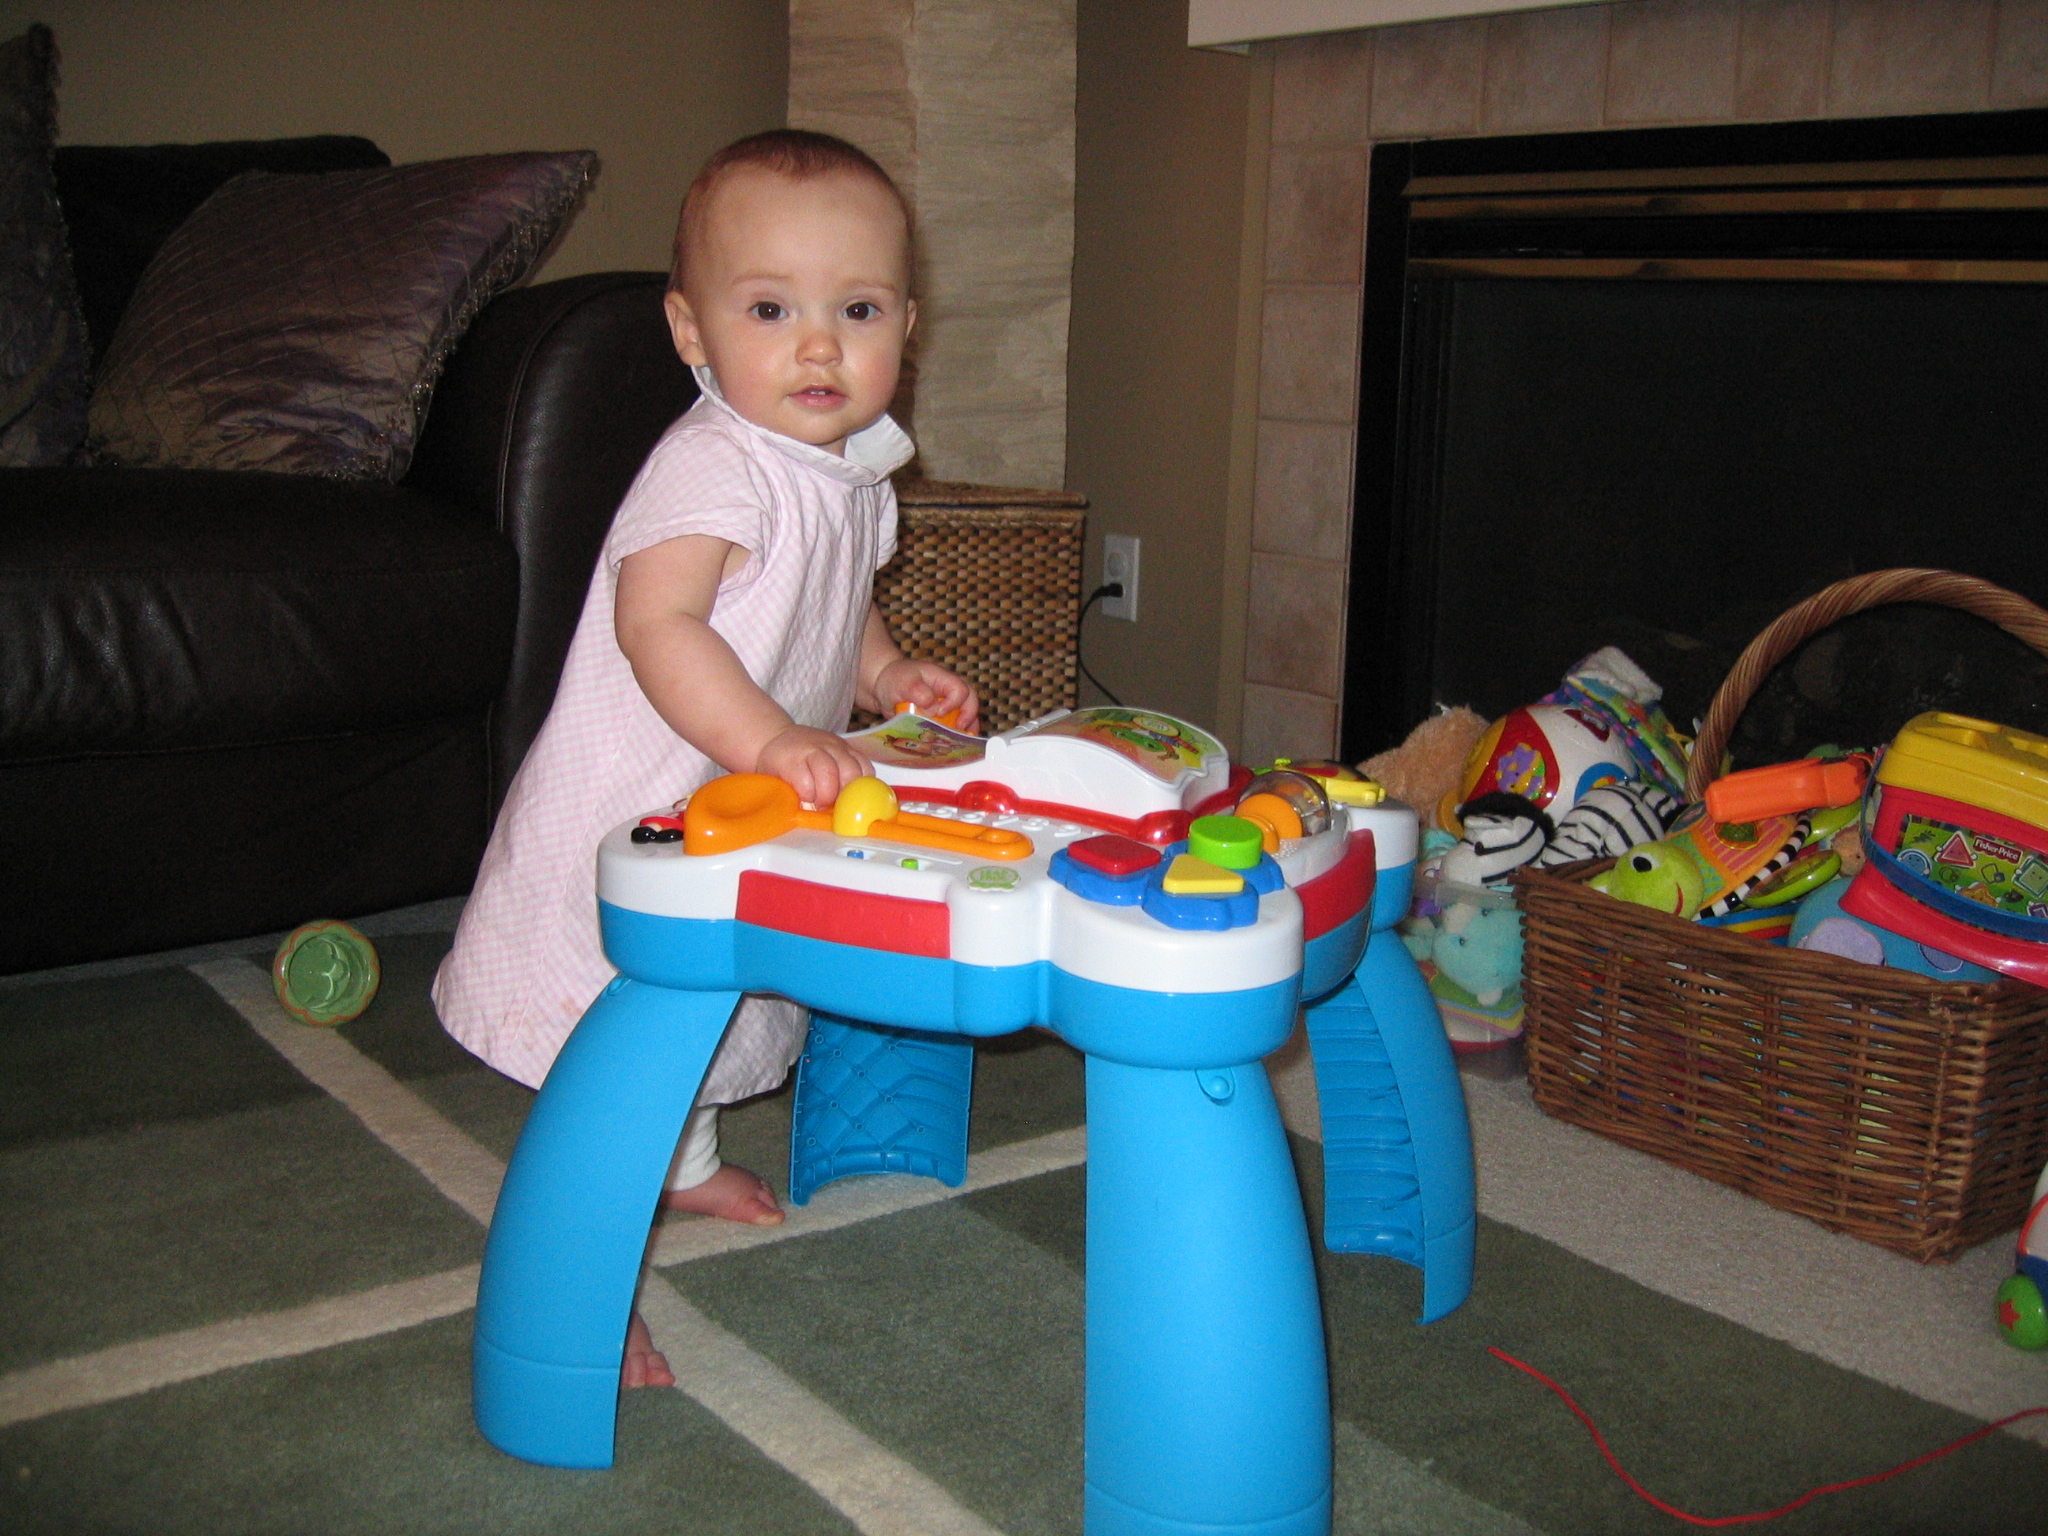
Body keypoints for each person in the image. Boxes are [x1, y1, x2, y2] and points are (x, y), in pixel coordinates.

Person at [432, 129, 978, 1388]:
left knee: (709, 1001)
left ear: (906, 320)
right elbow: (656, 623)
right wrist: (772, 738)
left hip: (740, 801)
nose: (820, 346)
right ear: (691, 333)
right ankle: (582, 1287)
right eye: (770, 309)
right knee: (613, 1057)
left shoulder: (849, 469)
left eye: (857, 310)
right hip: (643, 807)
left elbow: (837, 607)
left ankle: (680, 1171)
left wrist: (883, 677)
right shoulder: (710, 464)